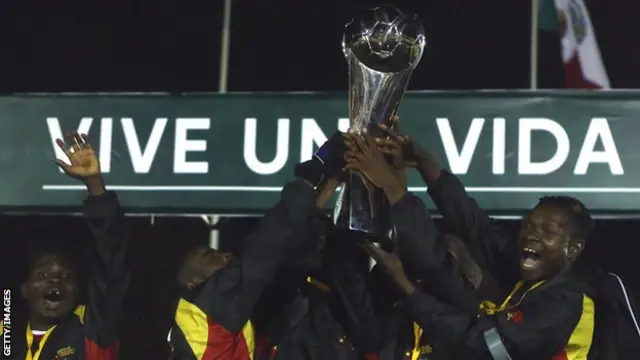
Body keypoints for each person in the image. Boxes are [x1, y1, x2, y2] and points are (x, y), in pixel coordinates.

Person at [367, 124, 597, 359]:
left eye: (548, 231)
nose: (532, 235)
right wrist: (425, 164)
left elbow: (480, 344)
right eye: (528, 225)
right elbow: (476, 225)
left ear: (574, 249)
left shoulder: (563, 301)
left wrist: (406, 286)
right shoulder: (534, 273)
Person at [168, 133, 347, 360]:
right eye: (208, 256)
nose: (225, 256)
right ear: (195, 283)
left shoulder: (226, 323)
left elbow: (282, 261)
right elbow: (266, 245)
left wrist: (328, 187)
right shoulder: (206, 312)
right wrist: (312, 172)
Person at [13, 132, 128, 360]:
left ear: (77, 293)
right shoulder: (6, 337)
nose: (55, 280)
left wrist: (94, 184)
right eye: (44, 273)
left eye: (67, 276)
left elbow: (111, 262)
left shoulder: (92, 330)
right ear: (24, 288)